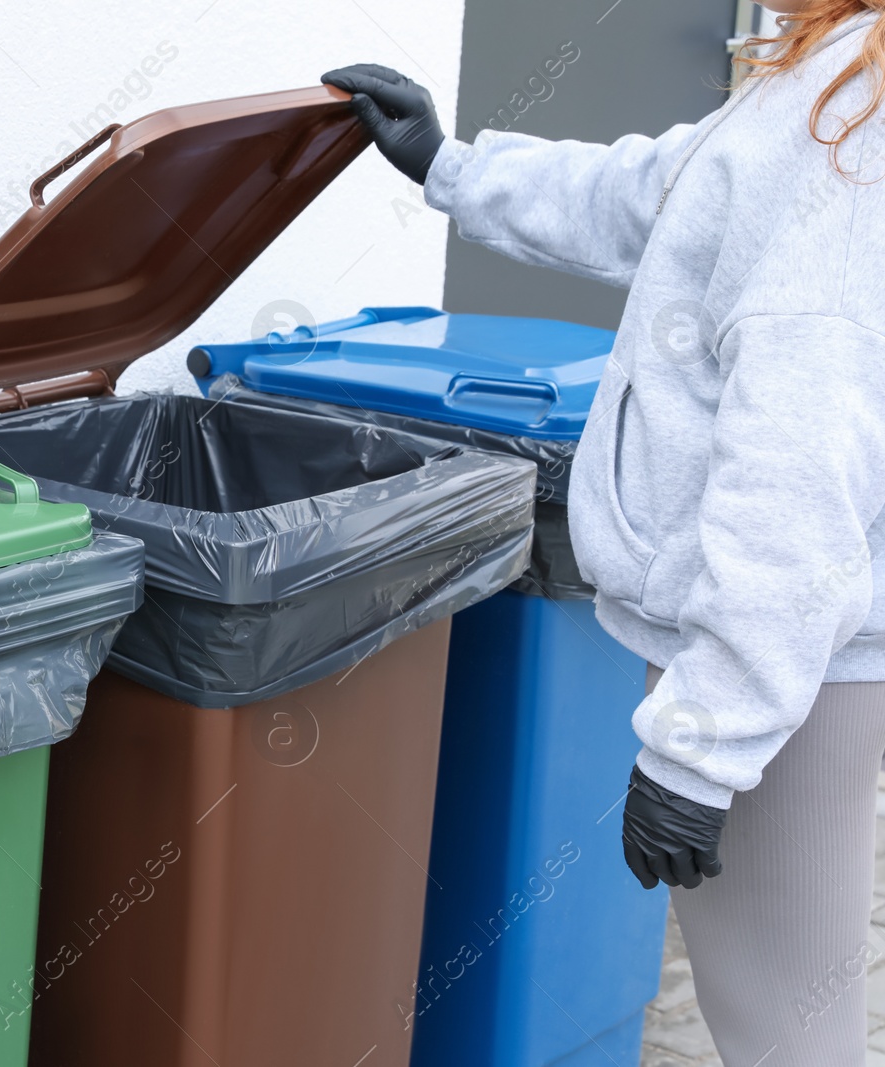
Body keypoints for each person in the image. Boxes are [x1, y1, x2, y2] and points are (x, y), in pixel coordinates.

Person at [325, 3, 885, 1062]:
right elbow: (667, 193)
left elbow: (797, 477)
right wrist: (450, 166)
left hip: (788, 666)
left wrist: (701, 749)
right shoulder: (834, 73)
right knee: (781, 1012)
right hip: (792, 658)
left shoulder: (853, 128)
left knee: (786, 1032)